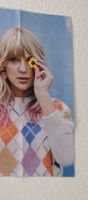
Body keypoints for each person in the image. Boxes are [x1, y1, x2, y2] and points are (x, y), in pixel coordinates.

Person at [0, 26, 75, 177]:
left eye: (29, 60)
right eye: (14, 60)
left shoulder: (57, 108)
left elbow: (67, 159)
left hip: (46, 197)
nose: (23, 69)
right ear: (3, 65)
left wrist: (42, 95)